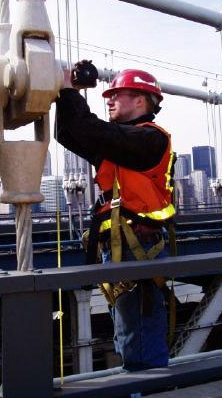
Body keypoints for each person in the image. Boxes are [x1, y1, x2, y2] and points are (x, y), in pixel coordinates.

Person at [56, 64, 175, 371]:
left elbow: (92, 130)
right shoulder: (121, 145)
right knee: (127, 336)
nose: (108, 100)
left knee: (140, 340)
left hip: (140, 251)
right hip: (120, 252)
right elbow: (68, 133)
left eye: (116, 95)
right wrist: (65, 91)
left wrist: (70, 90)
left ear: (141, 101)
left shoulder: (150, 141)